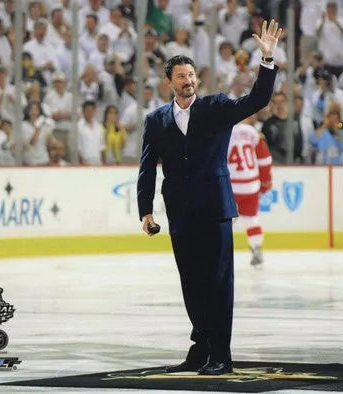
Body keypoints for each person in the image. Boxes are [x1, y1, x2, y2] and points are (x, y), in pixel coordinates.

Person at [137, 19, 281, 375]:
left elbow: (258, 99)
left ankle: (221, 354)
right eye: (181, 77)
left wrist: (266, 60)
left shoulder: (216, 107)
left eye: (191, 75)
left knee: (218, 283)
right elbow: (146, 168)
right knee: (191, 282)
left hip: (215, 208)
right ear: (169, 82)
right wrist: (146, 211)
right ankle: (199, 350)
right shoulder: (156, 120)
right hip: (180, 212)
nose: (188, 81)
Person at [228, 113, 272, 266]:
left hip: (232, 185)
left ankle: (222, 253)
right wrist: (266, 180)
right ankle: (256, 248)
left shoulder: (225, 132)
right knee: (251, 218)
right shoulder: (254, 133)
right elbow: (265, 159)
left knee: (225, 220)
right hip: (251, 184)